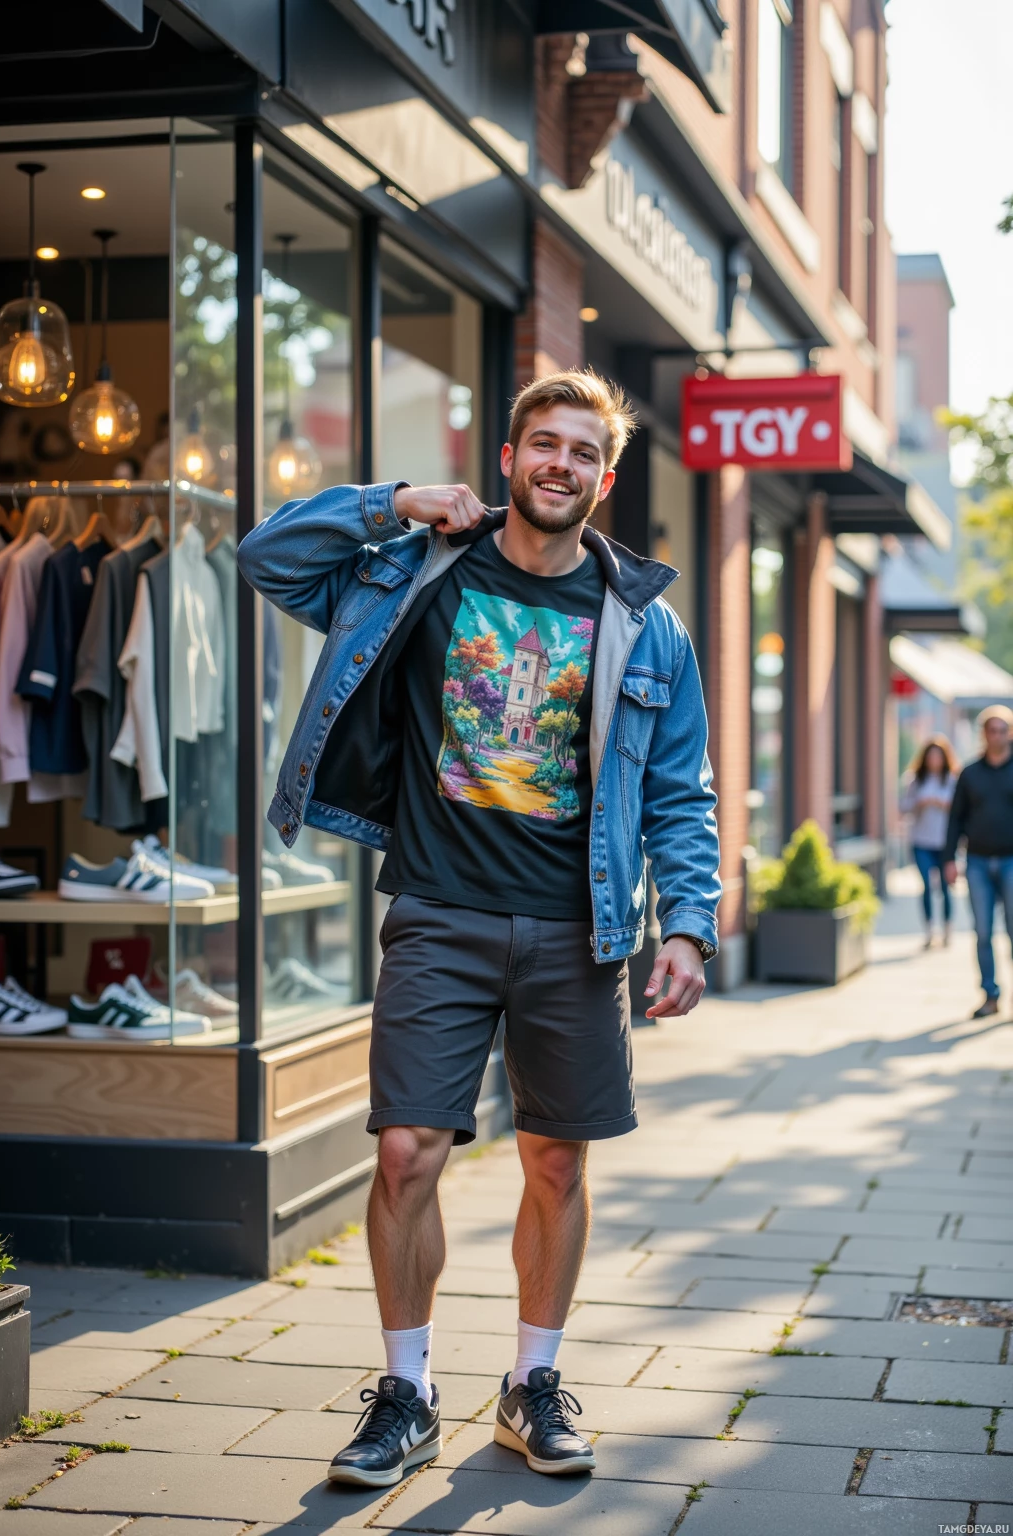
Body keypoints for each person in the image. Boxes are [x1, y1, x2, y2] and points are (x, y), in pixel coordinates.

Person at [238, 368, 721, 1487]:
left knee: (555, 1159)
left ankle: (532, 1384)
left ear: (605, 479)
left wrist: (686, 926)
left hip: (578, 930)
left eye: (583, 452)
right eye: (542, 443)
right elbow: (268, 558)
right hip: (439, 912)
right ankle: (404, 1394)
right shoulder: (416, 570)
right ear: (507, 458)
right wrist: (392, 501)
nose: (561, 464)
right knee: (407, 1151)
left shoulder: (645, 628)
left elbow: (680, 793)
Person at [944, 705, 1013, 1018]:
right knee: (983, 931)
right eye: (991, 729)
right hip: (978, 862)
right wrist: (949, 859)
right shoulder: (970, 773)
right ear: (983, 733)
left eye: (1002, 730)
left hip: (1012, 860)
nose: (997, 735)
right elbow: (955, 819)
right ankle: (990, 995)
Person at [900, 736, 959, 948]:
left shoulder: (953, 780)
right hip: (921, 841)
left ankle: (947, 930)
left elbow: (960, 811)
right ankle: (929, 931)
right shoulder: (915, 780)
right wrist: (920, 803)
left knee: (945, 888)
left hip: (944, 843)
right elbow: (903, 808)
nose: (934, 760)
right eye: (931, 756)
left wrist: (942, 803)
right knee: (926, 885)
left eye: (938, 756)